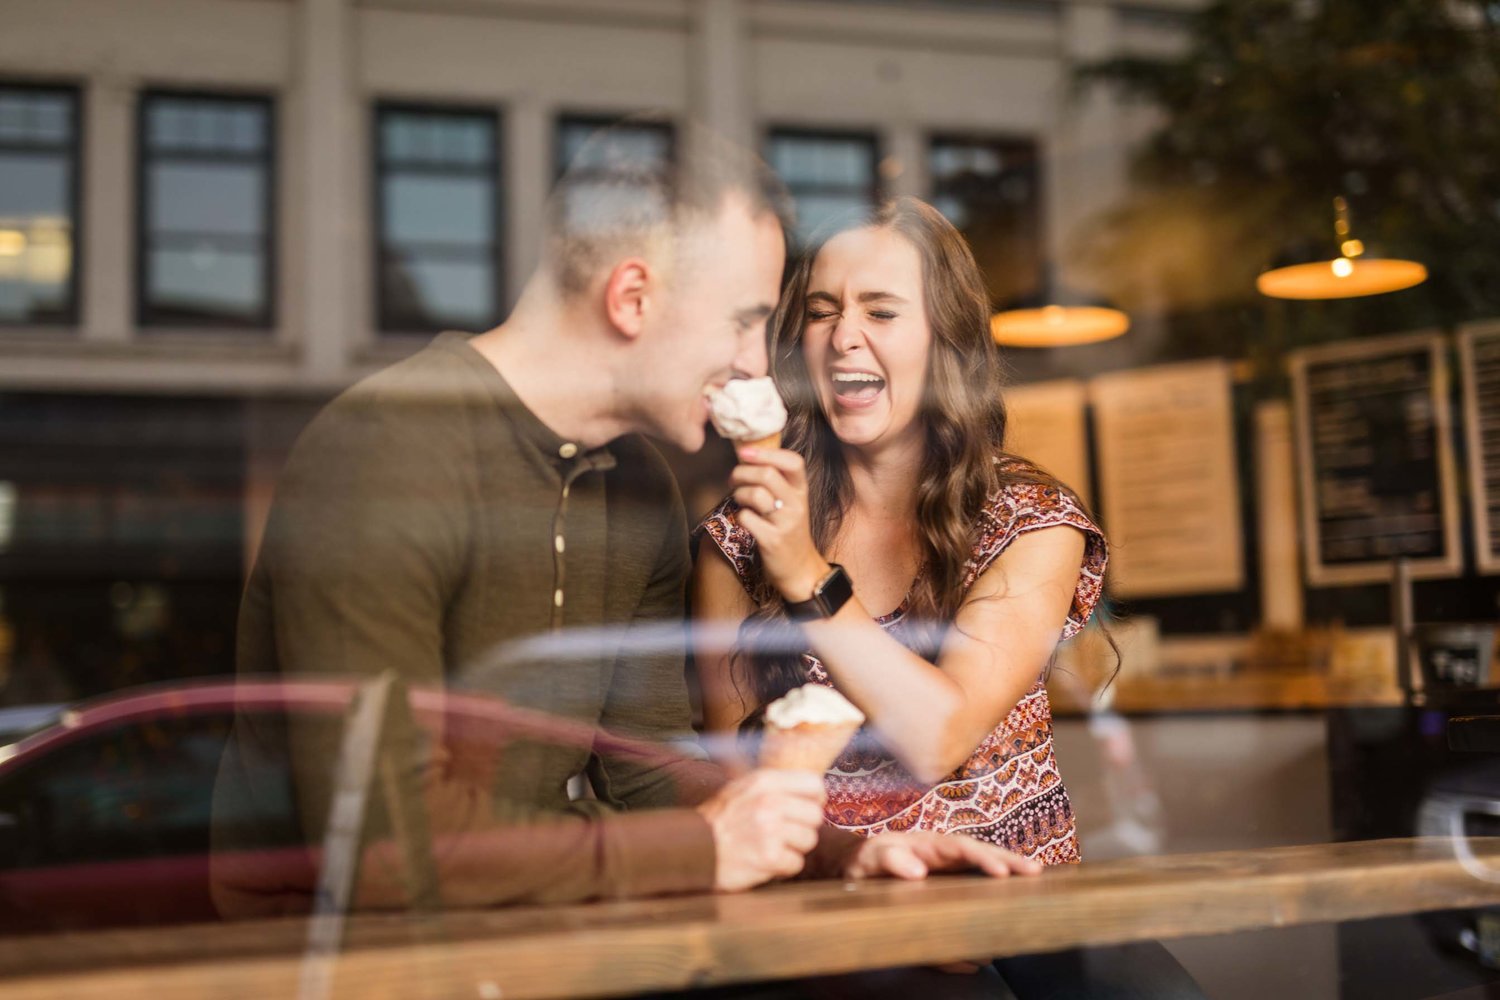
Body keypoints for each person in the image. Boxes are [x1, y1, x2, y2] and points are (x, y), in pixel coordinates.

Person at [212, 127, 1039, 919]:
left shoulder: (639, 483)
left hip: (530, 942)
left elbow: (648, 774)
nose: (761, 363)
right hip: (336, 966)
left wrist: (839, 854)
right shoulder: (386, 450)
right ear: (633, 297)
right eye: (746, 320)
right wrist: (702, 852)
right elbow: (381, 850)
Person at [692, 197, 1207, 997]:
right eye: (822, 311)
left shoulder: (1030, 520)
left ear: (946, 342)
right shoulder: (737, 536)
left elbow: (939, 735)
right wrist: (865, 889)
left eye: (882, 310)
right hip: (833, 921)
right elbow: (734, 777)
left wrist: (808, 579)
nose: (843, 335)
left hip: (1028, 911)